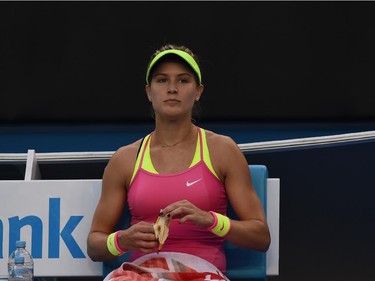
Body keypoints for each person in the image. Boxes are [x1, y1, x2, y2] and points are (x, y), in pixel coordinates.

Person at [87, 44, 270, 279]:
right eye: (162, 80)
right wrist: (122, 240)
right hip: (140, 273)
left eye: (183, 81)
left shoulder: (223, 150)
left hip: (203, 273)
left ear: (198, 91)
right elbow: (94, 245)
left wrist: (211, 220)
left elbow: (261, 237)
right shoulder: (124, 159)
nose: (172, 89)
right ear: (148, 92)